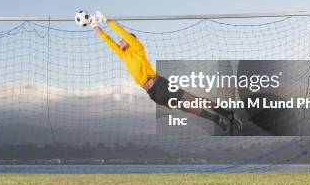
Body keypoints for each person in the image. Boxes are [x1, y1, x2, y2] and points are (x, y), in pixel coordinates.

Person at [90, 11, 242, 134]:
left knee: (193, 100)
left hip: (160, 84)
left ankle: (228, 114)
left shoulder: (138, 48)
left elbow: (122, 33)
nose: (120, 41)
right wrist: (94, 25)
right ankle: (217, 119)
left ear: (130, 41)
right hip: (153, 93)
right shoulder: (124, 55)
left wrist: (106, 20)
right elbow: (109, 41)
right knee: (185, 107)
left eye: (123, 40)